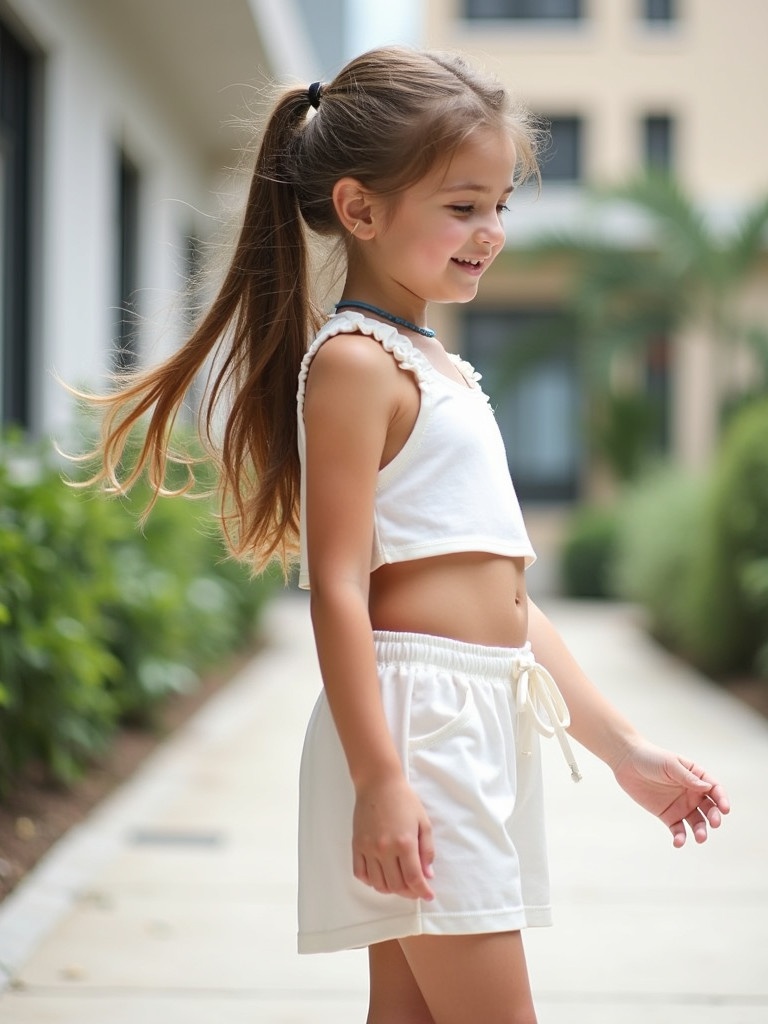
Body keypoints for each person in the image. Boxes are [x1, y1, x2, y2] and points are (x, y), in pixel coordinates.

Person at [82, 46, 729, 1024]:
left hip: (470, 718)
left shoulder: (440, 366)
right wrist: (381, 776)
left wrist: (626, 748)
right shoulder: (355, 363)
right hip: (418, 729)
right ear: (360, 210)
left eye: (501, 204)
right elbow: (339, 587)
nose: (492, 231)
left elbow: (507, 604)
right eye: (463, 205)